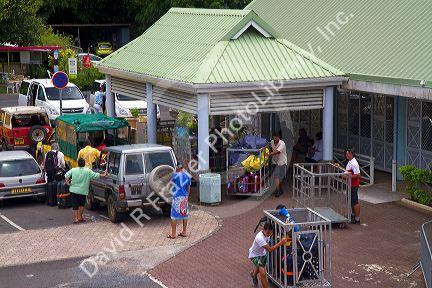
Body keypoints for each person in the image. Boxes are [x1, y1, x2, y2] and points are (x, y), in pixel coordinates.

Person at [65, 158, 107, 224]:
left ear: (78, 163)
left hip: (73, 190)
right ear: (84, 164)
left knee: (75, 205)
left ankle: (75, 219)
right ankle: (80, 217)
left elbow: (66, 175)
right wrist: (103, 174)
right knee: (82, 204)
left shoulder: (73, 170)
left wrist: (68, 182)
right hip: (83, 191)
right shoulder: (88, 171)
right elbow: (95, 175)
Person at [249, 222, 288, 288]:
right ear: (263, 229)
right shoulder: (259, 238)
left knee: (259, 268)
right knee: (263, 273)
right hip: (254, 255)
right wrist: (281, 242)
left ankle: (253, 274)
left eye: (270, 233)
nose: (269, 235)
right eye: (267, 233)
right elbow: (270, 249)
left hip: (263, 254)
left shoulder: (268, 233)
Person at [167, 164, 191, 239]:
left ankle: (173, 234)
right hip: (184, 197)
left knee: (174, 216)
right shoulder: (187, 176)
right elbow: (189, 187)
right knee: (184, 215)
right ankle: (184, 232)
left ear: (177, 168)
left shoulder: (175, 175)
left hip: (177, 197)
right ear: (183, 168)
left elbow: (170, 184)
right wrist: (187, 196)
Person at [268, 132, 288, 197]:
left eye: (276, 137)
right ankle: (278, 190)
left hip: (282, 162)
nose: (275, 138)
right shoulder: (272, 142)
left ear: (279, 137)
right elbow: (269, 148)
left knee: (280, 177)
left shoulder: (282, 143)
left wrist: (268, 154)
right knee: (276, 176)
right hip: (274, 161)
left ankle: (279, 190)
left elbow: (277, 152)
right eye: (274, 137)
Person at [345, 149, 361, 224]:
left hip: (354, 185)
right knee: (351, 200)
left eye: (347, 154)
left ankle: (357, 218)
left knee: (355, 201)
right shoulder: (350, 162)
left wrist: (349, 177)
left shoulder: (354, 163)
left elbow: (357, 174)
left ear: (351, 154)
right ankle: (353, 214)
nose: (346, 155)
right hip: (350, 184)